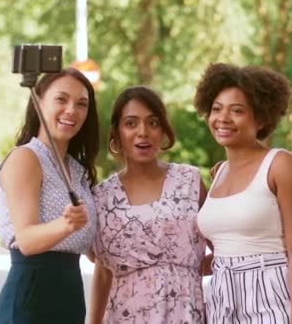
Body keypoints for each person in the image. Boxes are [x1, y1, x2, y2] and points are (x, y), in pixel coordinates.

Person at [195, 63, 292, 324]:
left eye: (237, 111)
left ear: (260, 119)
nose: (223, 118)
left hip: (269, 299)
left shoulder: (281, 165)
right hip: (221, 301)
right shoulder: (218, 173)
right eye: (216, 109)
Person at [89, 86, 209, 323]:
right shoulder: (102, 197)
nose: (143, 132)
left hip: (185, 315)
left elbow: (224, 253)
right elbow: (103, 271)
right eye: (131, 123)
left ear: (163, 129)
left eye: (152, 123)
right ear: (116, 133)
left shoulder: (190, 181)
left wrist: (274, 257)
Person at [0, 68, 100, 324]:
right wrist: (65, 225)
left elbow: (92, 250)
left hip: (69, 298)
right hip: (32, 297)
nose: (71, 110)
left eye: (81, 104)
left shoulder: (78, 170)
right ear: (38, 102)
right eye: (61, 99)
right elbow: (27, 240)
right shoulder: (26, 158)